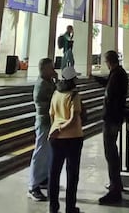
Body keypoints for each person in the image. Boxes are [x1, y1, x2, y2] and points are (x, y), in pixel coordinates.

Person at [93, 50, 128, 205]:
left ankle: (115, 189)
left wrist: (108, 116)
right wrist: (95, 79)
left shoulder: (117, 75)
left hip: (112, 119)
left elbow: (111, 95)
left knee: (111, 153)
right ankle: (116, 183)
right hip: (115, 118)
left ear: (109, 61)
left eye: (105, 61)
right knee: (112, 152)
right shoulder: (118, 73)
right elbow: (109, 85)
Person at [48, 65, 84, 213]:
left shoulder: (56, 93)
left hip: (55, 138)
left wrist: (55, 129)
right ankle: (70, 207)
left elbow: (51, 115)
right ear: (72, 79)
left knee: (54, 173)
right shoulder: (74, 95)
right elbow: (74, 119)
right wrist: (62, 129)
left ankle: (53, 207)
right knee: (72, 173)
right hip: (73, 137)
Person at [28, 58, 57, 202]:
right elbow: (54, 99)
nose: (53, 70)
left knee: (47, 152)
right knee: (40, 152)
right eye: (51, 68)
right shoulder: (42, 85)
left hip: (50, 122)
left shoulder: (49, 82)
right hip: (44, 122)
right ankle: (33, 186)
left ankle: (43, 177)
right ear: (44, 69)